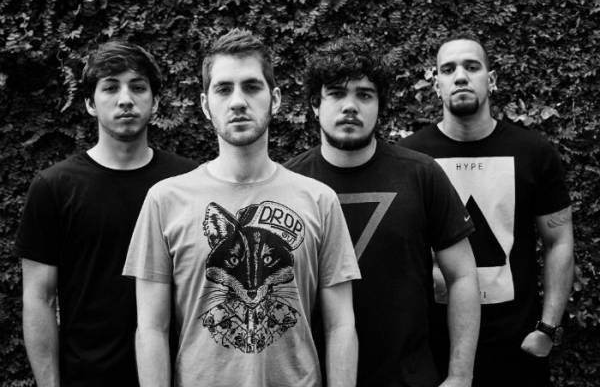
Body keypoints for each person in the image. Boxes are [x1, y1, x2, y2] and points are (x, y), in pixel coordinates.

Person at [123, 29, 361, 387]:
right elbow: (151, 329)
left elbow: (340, 325)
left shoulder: (319, 200)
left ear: (274, 99)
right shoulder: (165, 200)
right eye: (223, 89)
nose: (237, 101)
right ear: (205, 105)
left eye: (251, 87)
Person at [285, 37, 480, 387]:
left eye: (364, 95)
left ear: (380, 105)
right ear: (315, 105)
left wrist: (460, 376)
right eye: (336, 94)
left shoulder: (421, 174)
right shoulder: (288, 185)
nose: (350, 106)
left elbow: (463, 276)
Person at [16, 41, 198, 386]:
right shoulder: (54, 187)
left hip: (179, 376)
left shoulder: (188, 183)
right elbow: (39, 298)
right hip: (88, 378)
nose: (125, 99)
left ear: (156, 102)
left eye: (138, 87)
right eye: (111, 87)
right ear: (89, 103)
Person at [400, 35, 574, 387]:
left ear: (490, 80)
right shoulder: (409, 158)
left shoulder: (534, 152)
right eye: (448, 69)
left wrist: (547, 329)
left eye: (472, 67)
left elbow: (559, 241)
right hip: (433, 348)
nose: (460, 76)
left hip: (517, 347)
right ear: (436, 85)